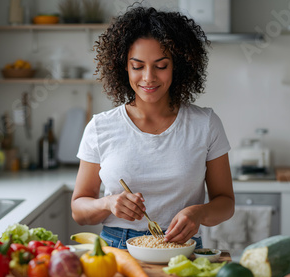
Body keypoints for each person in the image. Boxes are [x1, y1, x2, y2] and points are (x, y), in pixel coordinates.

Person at [72, 5, 234, 249]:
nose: (148, 77)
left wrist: (198, 213)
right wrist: (108, 203)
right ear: (123, 66)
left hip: (182, 248)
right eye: (138, 66)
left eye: (161, 65)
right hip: (117, 249)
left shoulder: (205, 124)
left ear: (177, 66)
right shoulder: (100, 127)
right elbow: (79, 209)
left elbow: (226, 203)